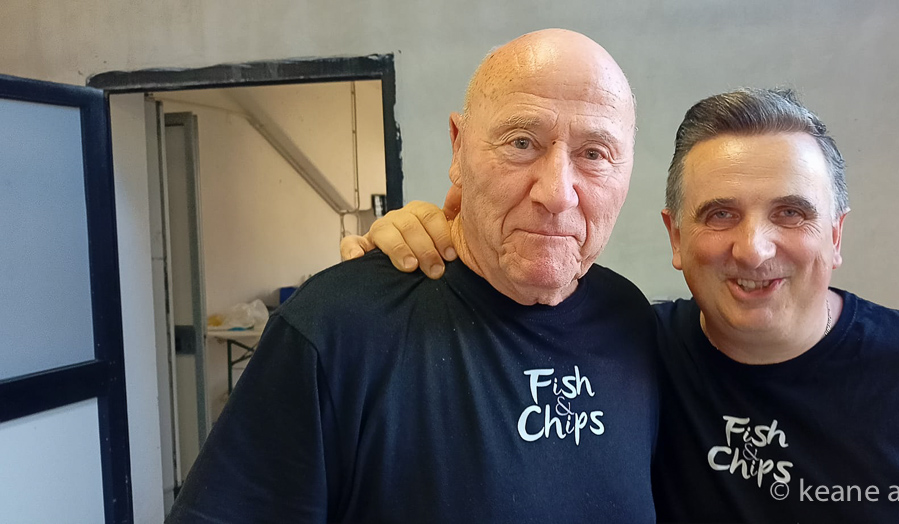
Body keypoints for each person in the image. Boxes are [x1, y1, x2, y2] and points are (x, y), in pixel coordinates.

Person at [345, 88, 899, 522]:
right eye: (720, 215)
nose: (754, 248)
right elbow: (489, 325)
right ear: (675, 238)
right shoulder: (622, 351)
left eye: (791, 213)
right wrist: (425, 244)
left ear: (836, 236)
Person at [168, 29, 659, 524]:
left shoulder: (633, 324)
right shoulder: (336, 329)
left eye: (594, 153)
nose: (556, 193)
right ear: (458, 148)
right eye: (522, 142)